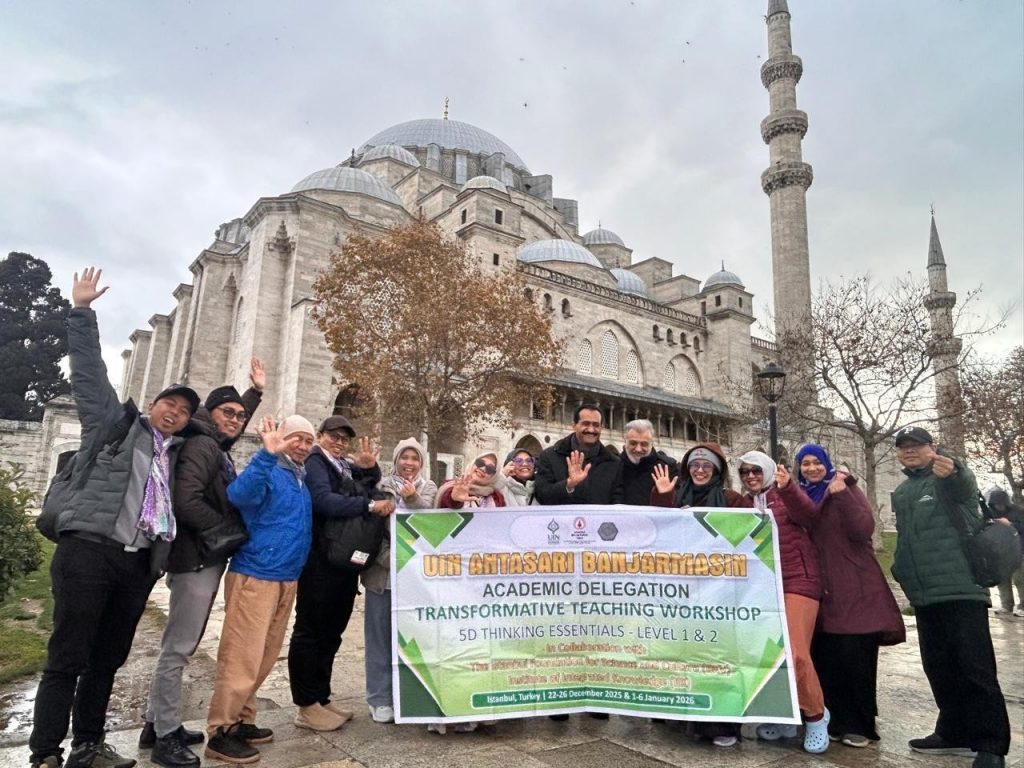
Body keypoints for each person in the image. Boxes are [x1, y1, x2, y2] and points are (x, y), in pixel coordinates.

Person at [29, 268, 199, 768]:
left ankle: (88, 745)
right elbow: (87, 375)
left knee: (107, 660)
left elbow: (221, 433)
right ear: (152, 404)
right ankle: (45, 752)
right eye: (169, 403)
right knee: (67, 657)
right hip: (88, 551)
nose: (175, 412)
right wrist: (81, 312)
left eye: (184, 410)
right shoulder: (114, 426)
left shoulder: (174, 455)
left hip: (135, 564)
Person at [141, 365, 265, 768]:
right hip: (195, 559)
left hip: (200, 557)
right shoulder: (202, 446)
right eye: (228, 413)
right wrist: (225, 531)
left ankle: (154, 723)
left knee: (181, 644)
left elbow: (228, 425)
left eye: (240, 415)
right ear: (208, 415)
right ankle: (164, 739)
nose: (236, 420)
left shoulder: (212, 443)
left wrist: (253, 394)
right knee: (178, 648)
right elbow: (186, 501)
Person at [889, 426, 1010, 768]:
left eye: (917, 445)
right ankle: (953, 730)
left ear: (933, 447)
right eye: (903, 446)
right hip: (926, 593)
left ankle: (991, 744)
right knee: (939, 667)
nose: (910, 451)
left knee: (975, 667)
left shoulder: (947, 477)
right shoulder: (903, 491)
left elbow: (963, 483)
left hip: (960, 589)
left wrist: (954, 469)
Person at [204, 416, 315, 765]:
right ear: (283, 439)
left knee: (264, 655)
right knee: (242, 655)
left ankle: (242, 718)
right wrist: (266, 455)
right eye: (296, 438)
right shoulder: (270, 469)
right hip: (256, 575)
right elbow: (239, 495)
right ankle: (221, 731)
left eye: (308, 440)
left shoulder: (298, 478)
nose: (302, 446)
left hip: (285, 576)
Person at [795, 444, 905, 749]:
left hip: (854, 584)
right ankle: (834, 719)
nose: (812, 468)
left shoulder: (846, 488)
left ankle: (859, 724)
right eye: (805, 463)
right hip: (820, 587)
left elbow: (863, 528)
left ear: (827, 463)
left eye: (817, 462)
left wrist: (841, 493)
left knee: (855, 654)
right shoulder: (802, 496)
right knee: (826, 655)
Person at [287, 416, 388, 732]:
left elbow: (363, 486)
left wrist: (369, 469)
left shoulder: (342, 466)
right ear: (321, 436)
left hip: (342, 562)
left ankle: (321, 696)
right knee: (311, 631)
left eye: (344, 439)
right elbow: (324, 501)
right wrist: (368, 507)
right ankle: (306, 705)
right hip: (320, 561)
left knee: (331, 632)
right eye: (334, 436)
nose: (339, 442)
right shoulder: (317, 462)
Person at [650, 443, 744, 747]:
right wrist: (663, 497)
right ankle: (681, 714)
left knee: (717, 656)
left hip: (718, 590)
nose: (700, 471)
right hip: (681, 590)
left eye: (706, 466)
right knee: (683, 652)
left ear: (717, 470)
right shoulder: (675, 494)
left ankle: (721, 725)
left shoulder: (731, 500)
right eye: (694, 465)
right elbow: (655, 530)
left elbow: (745, 539)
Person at [738, 450, 830, 754]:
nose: (751, 476)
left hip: (798, 581)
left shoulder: (785, 495)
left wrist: (788, 487)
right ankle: (785, 715)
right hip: (763, 587)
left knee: (796, 653)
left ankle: (816, 715)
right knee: (770, 654)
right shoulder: (744, 505)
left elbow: (809, 516)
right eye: (744, 472)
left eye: (756, 470)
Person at [363, 438, 437, 724]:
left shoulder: (428, 488)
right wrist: (391, 559)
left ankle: (408, 695)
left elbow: (431, 520)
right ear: (396, 461)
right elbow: (371, 530)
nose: (409, 463)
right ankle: (379, 698)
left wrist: (412, 499)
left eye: (414, 458)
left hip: (417, 580)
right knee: (379, 639)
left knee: (412, 641)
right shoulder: (381, 487)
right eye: (404, 457)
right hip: (384, 575)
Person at [534, 404, 623, 506]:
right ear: (574, 426)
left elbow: (618, 502)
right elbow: (542, 495)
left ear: (601, 428)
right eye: (586, 424)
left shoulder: (614, 463)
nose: (591, 430)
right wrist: (568, 485)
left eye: (596, 425)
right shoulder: (549, 456)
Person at [618, 419, 677, 506]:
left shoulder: (667, 467)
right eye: (633, 443)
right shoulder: (613, 465)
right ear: (625, 441)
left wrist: (666, 495)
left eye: (644, 444)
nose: (638, 449)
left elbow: (679, 505)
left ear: (652, 443)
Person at [985, 489, 1024, 617]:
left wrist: (1010, 524)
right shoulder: (989, 513)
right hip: (1000, 551)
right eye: (997, 505)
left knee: (1020, 579)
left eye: (1001, 504)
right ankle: (1006, 605)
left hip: (1018, 549)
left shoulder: (1018, 511)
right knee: (1002, 580)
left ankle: (1023, 606)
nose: (999, 507)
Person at [437, 451, 507, 509]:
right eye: (480, 463)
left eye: (490, 469)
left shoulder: (497, 497)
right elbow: (446, 502)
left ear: (494, 476)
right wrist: (455, 499)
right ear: (472, 464)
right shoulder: (452, 486)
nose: (482, 469)